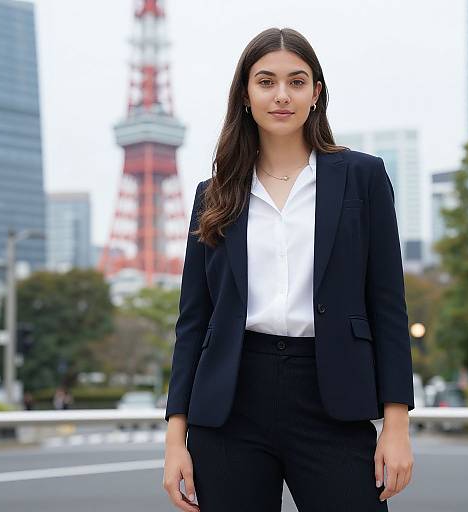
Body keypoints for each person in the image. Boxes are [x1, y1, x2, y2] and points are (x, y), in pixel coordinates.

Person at [162, 27, 415, 512]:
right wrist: (176, 440)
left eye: (297, 82)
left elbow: (388, 308)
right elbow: (193, 323)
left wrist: (396, 426)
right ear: (244, 94)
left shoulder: (362, 178)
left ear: (316, 93)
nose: (282, 95)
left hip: (331, 397)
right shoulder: (213, 196)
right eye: (266, 81)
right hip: (231, 404)